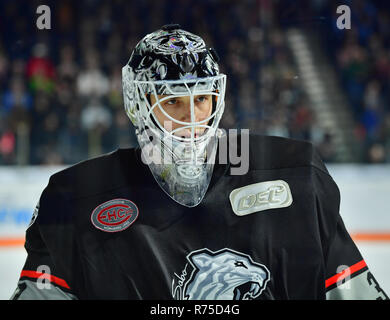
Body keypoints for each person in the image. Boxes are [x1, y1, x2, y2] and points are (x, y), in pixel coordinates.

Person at [11, 25, 388, 300]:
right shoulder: (75, 200)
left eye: (202, 99)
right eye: (172, 101)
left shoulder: (298, 177)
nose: (191, 118)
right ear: (139, 106)